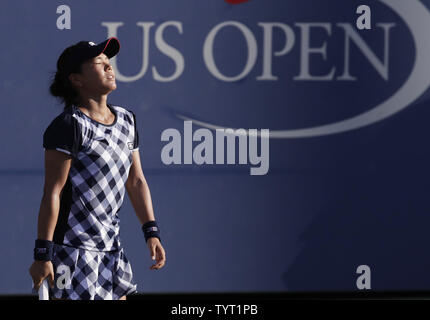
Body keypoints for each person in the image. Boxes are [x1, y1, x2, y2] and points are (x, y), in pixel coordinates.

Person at [28, 37, 166, 300]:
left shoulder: (127, 120)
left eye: (108, 62)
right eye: (98, 63)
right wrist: (42, 255)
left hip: (112, 250)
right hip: (72, 252)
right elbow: (52, 193)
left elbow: (136, 181)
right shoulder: (69, 125)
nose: (109, 67)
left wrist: (151, 231)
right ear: (76, 80)